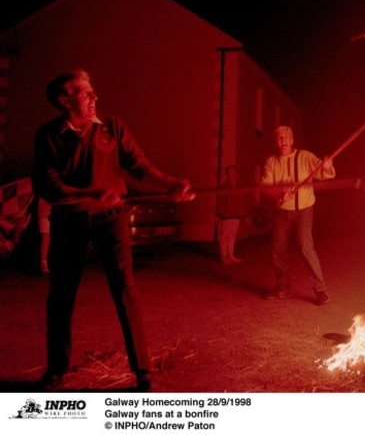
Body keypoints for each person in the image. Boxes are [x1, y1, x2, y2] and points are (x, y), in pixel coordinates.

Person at [32, 69, 193, 391]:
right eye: (84, 92)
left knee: (124, 289)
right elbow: (49, 187)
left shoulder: (111, 127)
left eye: (93, 91)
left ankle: (142, 370)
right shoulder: (49, 135)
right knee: (62, 293)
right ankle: (56, 369)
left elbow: (139, 165)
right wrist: (89, 194)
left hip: (111, 218)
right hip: (70, 220)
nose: (94, 97)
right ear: (66, 100)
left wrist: (170, 183)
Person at [260, 125, 335, 305]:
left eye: (286, 137)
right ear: (276, 142)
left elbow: (323, 172)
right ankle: (283, 287)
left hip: (304, 209)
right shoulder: (271, 161)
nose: (283, 140)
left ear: (292, 140)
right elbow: (265, 186)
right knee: (278, 249)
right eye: (279, 137)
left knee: (306, 247)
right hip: (282, 210)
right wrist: (279, 193)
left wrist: (326, 166)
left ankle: (320, 290)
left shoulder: (305, 156)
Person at [216, 165, 249, 264]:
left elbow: (241, 203)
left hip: (236, 216)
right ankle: (223, 256)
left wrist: (244, 216)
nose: (232, 174)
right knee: (224, 236)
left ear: (236, 174)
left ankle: (230, 256)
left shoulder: (239, 187)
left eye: (233, 172)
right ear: (227, 174)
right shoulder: (224, 187)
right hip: (226, 216)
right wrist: (219, 215)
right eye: (229, 172)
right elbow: (220, 202)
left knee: (232, 236)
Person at [37, 197, 52, 275]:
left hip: (48, 217)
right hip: (46, 217)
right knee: (46, 239)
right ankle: (43, 263)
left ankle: (45, 263)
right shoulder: (44, 196)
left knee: (48, 239)